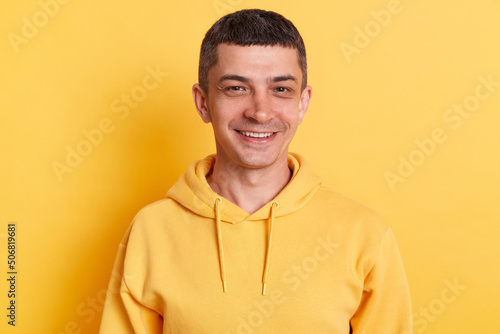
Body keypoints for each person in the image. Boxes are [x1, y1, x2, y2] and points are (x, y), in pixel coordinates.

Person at [99, 9, 413, 334]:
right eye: (236, 88)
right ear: (203, 102)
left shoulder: (364, 233)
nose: (260, 112)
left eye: (280, 89)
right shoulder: (151, 231)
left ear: (303, 103)